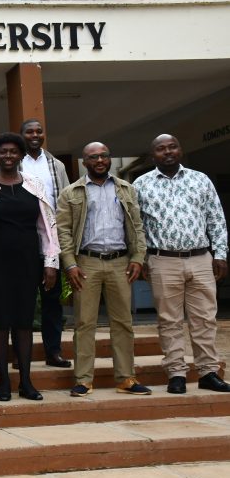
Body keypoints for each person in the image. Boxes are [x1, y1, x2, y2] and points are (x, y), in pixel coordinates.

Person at [135, 134, 230, 394]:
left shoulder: (201, 180)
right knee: (169, 321)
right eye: (161, 149)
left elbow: (216, 219)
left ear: (180, 150)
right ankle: (176, 373)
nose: (167, 152)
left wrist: (220, 253)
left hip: (201, 259)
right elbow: (136, 227)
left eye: (172, 147)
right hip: (163, 260)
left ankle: (208, 372)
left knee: (205, 319)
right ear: (152, 155)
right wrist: (141, 258)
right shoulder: (141, 185)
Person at [56, 142, 151, 397]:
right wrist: (70, 264)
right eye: (93, 157)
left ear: (109, 159)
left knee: (123, 323)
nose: (99, 160)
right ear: (84, 162)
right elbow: (62, 231)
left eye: (104, 156)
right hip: (86, 263)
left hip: (121, 262)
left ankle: (126, 378)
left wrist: (138, 258)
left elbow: (137, 227)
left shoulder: (126, 189)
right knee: (84, 323)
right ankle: (84, 379)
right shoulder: (71, 192)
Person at [0, 133, 60, 402]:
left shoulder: (35, 184)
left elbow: (47, 227)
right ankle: (3, 382)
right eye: (2, 152)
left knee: (23, 323)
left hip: (27, 264)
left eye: (13, 152)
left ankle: (26, 382)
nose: (8, 156)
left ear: (21, 156)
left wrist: (50, 263)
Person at [20, 119, 71, 368]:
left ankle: (53, 352)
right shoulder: (15, 162)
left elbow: (66, 200)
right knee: (23, 301)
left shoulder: (56, 165)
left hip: (51, 241)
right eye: (30, 131)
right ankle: (22, 354)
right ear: (22, 135)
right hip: (23, 241)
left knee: (52, 301)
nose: (35, 135)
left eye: (39, 131)